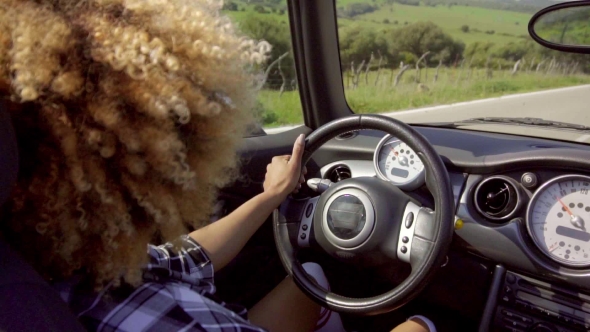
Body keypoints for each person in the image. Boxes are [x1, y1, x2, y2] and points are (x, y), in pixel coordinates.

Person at [0, 0, 434, 331]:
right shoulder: (174, 322)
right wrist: (422, 324)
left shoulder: (63, 268)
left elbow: (184, 257)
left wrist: (271, 197)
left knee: (314, 277)